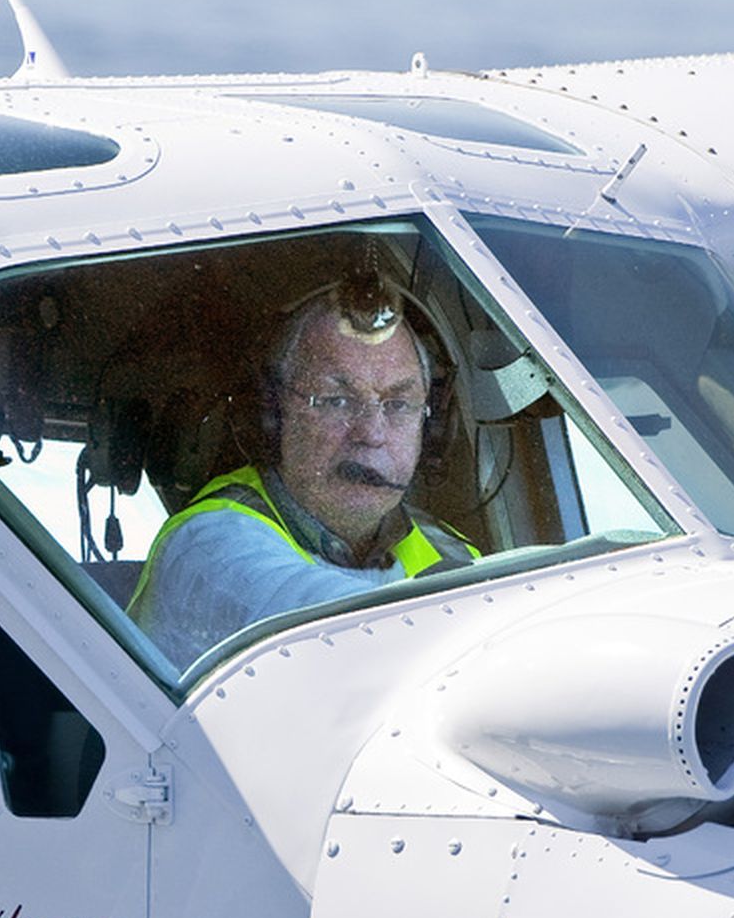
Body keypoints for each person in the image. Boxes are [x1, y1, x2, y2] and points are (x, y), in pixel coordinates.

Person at [128, 274, 477, 669]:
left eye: (398, 404)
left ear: (431, 428)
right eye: (335, 401)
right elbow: (334, 622)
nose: (372, 434)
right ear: (272, 416)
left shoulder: (452, 551)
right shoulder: (208, 545)